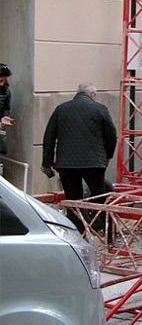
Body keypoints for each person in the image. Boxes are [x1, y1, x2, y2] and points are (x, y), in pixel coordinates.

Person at [42, 83, 117, 235]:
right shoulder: (100, 109)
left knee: (73, 202)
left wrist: (47, 163)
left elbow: (49, 137)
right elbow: (112, 136)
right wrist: (107, 156)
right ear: (93, 95)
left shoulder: (61, 109)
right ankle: (108, 235)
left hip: (66, 164)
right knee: (99, 199)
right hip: (94, 163)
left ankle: (78, 235)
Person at [0, 64, 12, 155]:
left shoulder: (6, 91)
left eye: (4, 80)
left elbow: (6, 107)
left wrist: (4, 116)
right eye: (0, 80)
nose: (2, 84)